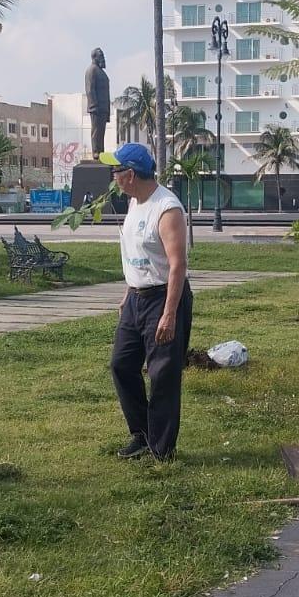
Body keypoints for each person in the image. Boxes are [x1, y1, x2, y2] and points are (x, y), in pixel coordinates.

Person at [103, 142, 191, 460]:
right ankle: (141, 434)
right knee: (122, 364)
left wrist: (169, 314)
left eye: (115, 171)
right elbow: (138, 255)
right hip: (135, 298)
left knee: (162, 374)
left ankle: (161, 449)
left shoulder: (166, 209)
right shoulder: (134, 203)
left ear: (130, 175)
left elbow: (177, 265)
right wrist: (128, 292)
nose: (113, 177)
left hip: (164, 297)